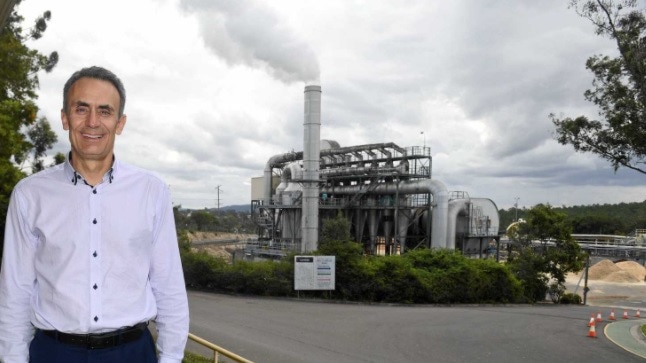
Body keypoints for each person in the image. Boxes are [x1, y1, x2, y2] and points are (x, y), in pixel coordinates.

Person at [0, 66, 189, 362]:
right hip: (53, 353)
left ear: (120, 122)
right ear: (65, 117)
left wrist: (171, 358)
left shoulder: (153, 192)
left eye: (104, 111)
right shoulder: (29, 195)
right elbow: (15, 293)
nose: (92, 122)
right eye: (81, 108)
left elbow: (169, 287)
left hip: (133, 353)